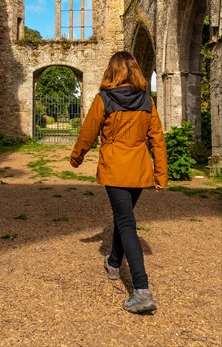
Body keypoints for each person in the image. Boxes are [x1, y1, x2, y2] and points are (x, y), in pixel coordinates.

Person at [70, 51, 168, 314]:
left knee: (126, 222)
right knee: (123, 216)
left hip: (115, 168)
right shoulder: (147, 100)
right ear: (135, 71)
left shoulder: (105, 99)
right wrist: (161, 174)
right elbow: (157, 138)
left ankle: (141, 290)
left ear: (112, 72)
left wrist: (77, 156)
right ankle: (114, 263)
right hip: (138, 169)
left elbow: (88, 131)